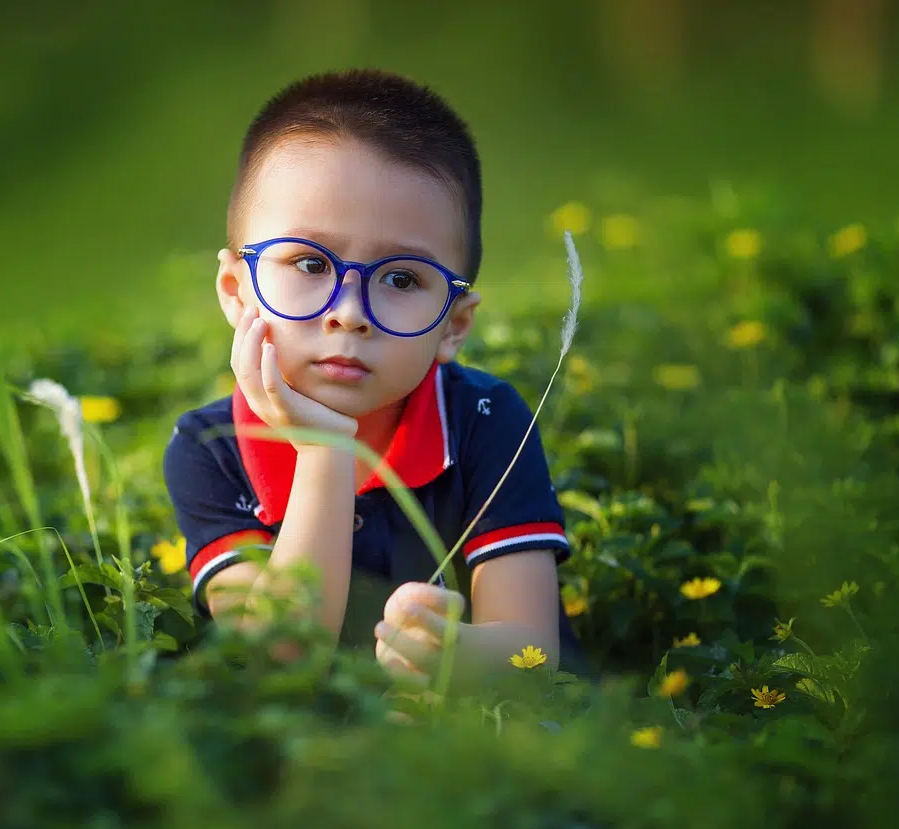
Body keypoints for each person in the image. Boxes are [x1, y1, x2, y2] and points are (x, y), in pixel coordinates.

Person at [162, 68, 586, 691]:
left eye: (402, 279)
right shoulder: (209, 448)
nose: (350, 314)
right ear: (236, 291)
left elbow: (531, 653)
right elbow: (277, 660)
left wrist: (452, 658)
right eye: (308, 262)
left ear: (453, 326)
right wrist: (325, 450)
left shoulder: (485, 421)